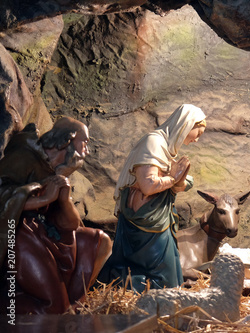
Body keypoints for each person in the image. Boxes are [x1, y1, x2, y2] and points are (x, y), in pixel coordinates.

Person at [0, 117, 112, 314]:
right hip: (18, 233)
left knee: (98, 241)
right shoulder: (24, 156)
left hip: (45, 232)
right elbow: (3, 197)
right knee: (53, 306)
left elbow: (71, 225)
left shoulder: (57, 170)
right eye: (84, 143)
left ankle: (75, 307)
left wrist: (64, 198)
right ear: (68, 140)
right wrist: (46, 197)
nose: (86, 150)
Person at [98, 104, 206, 292]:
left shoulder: (166, 147)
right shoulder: (153, 142)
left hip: (156, 219)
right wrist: (174, 178)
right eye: (198, 133)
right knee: (160, 272)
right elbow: (148, 186)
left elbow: (167, 183)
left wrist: (180, 181)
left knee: (166, 270)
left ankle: (160, 302)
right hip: (146, 221)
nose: (197, 139)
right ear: (187, 124)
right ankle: (137, 296)